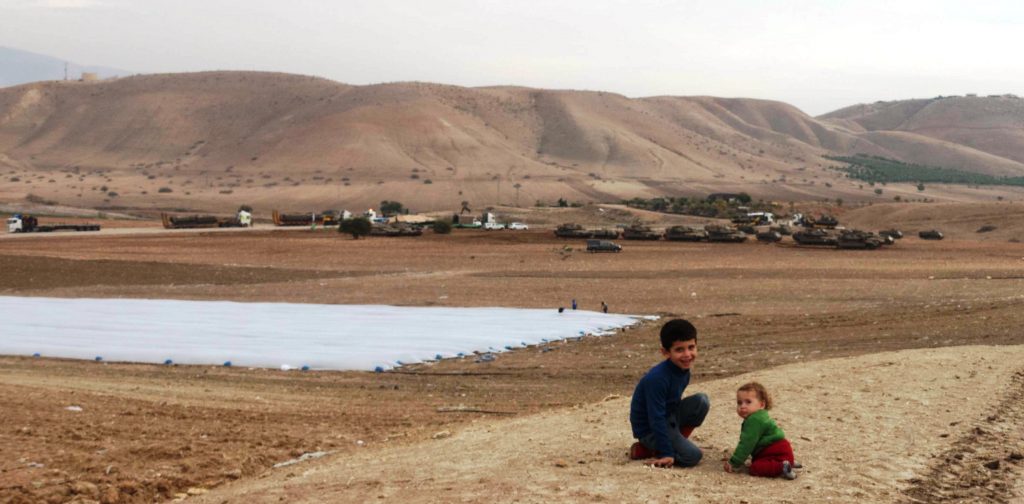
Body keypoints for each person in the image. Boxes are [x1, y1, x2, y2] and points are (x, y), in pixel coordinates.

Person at [628, 319, 709, 468]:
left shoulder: (683, 369)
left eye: (691, 347)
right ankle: (654, 448)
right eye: (679, 350)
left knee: (701, 401)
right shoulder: (657, 379)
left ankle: (673, 444)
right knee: (693, 456)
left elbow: (673, 402)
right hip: (650, 429)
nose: (687, 354)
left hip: (668, 417)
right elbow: (655, 417)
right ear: (665, 352)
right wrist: (667, 453)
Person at [724, 382, 798, 479]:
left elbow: (747, 443)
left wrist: (734, 462)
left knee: (755, 468)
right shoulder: (760, 416)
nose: (742, 406)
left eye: (748, 402)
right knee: (757, 461)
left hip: (775, 452)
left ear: (762, 404)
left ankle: (782, 466)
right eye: (739, 402)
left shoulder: (754, 420)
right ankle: (788, 461)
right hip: (780, 450)